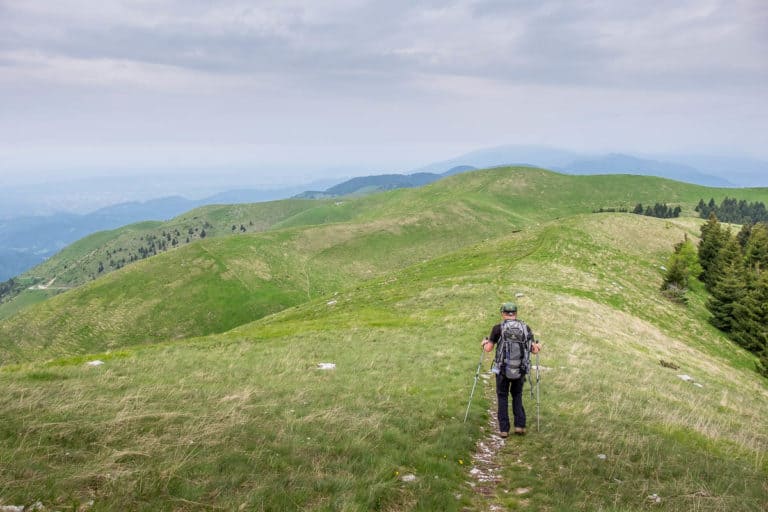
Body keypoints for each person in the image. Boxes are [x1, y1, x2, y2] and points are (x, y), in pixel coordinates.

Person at [481, 302, 540, 437]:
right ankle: (520, 426)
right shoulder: (525, 328)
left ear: (503, 314)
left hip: (502, 368)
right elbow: (534, 350)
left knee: (502, 397)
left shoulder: (498, 328)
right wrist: (539, 346)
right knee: (517, 395)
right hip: (520, 369)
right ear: (516, 313)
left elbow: (488, 349)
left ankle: (504, 430)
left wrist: (483, 344)